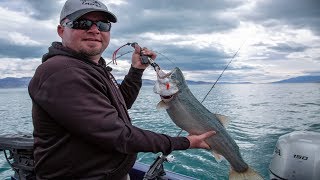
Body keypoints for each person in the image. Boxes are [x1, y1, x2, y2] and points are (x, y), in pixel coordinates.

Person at [28, 0, 215, 179]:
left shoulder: (92, 68)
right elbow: (118, 135)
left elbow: (121, 104)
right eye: (82, 22)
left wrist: (136, 71)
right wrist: (185, 142)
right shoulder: (63, 72)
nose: (94, 30)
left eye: (102, 25)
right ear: (61, 30)